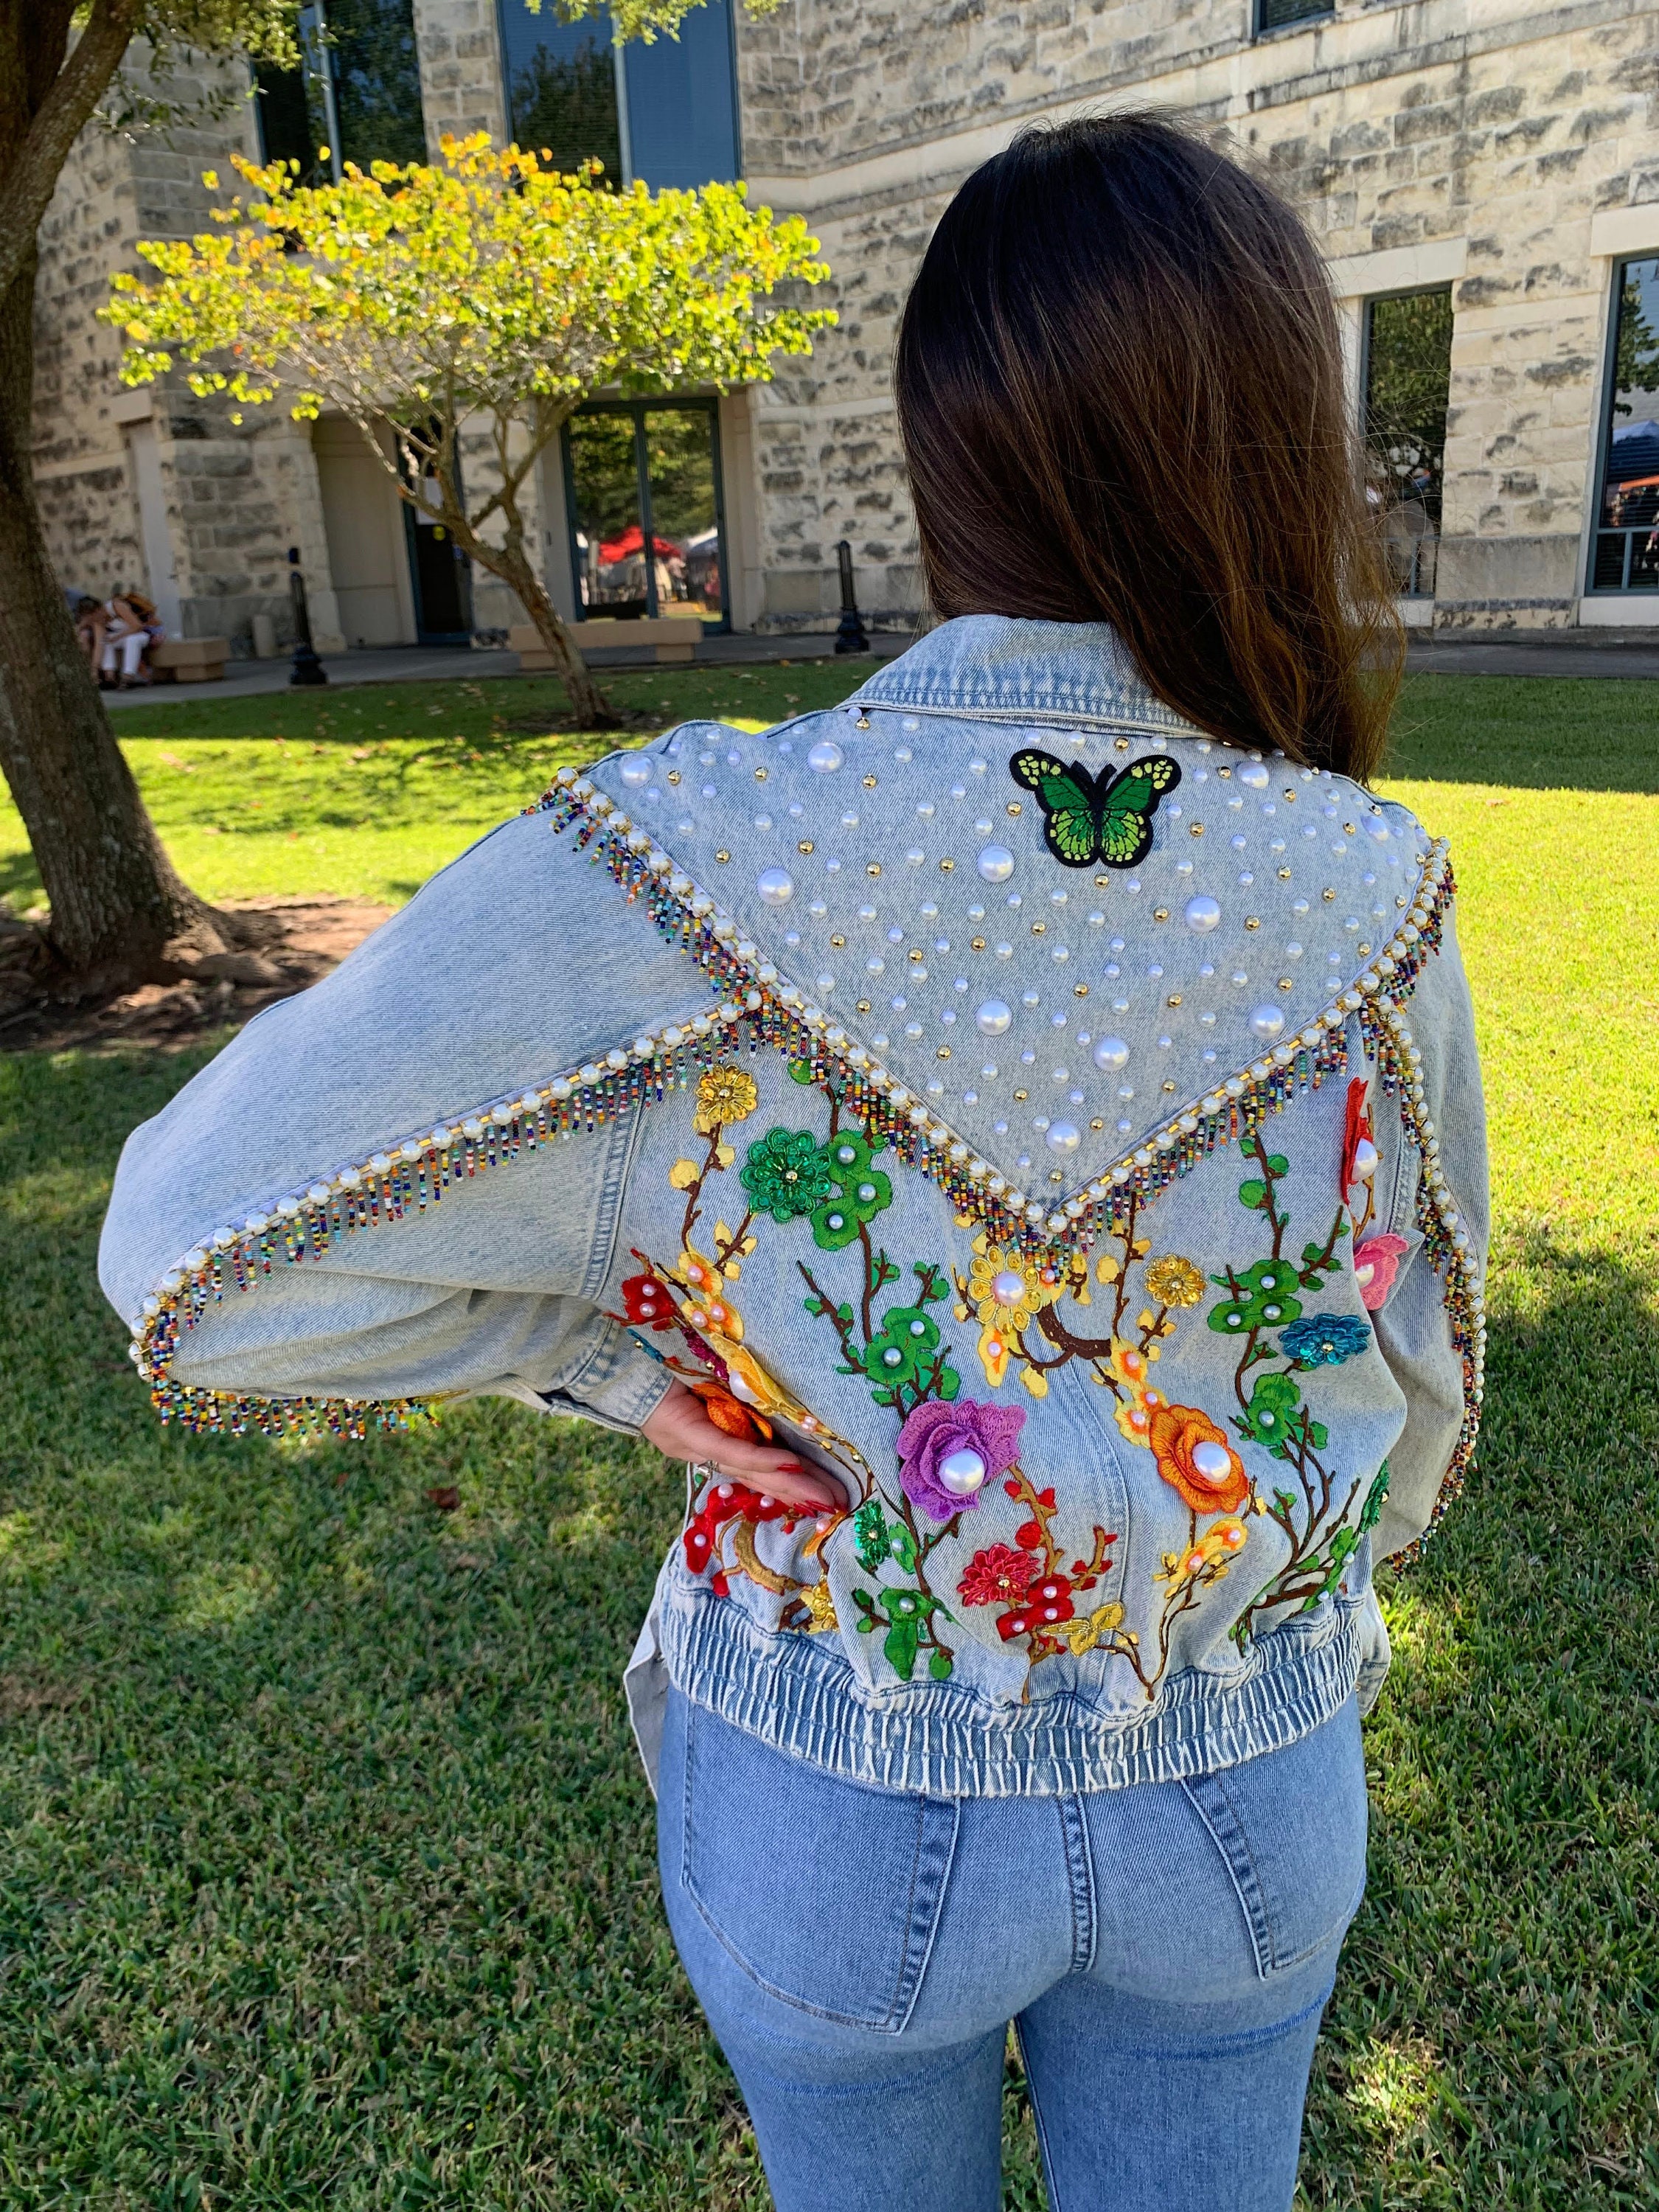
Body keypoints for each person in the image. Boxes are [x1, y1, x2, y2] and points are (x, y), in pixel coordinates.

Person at [97, 113, 1487, 2212]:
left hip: (842, 1796)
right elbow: (1430, 1362)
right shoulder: (1372, 883)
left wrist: (596, 1361)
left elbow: (188, 1251)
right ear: (1277, 448)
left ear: (946, 462)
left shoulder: (683, 850)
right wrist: (1269, 1580)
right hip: (1244, 1785)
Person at [99, 588, 163, 686]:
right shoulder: (99, 619)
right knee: (106, 640)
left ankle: (128, 675)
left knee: (132, 640)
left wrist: (117, 637)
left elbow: (137, 626)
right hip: (124, 634)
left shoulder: (117, 606)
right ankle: (109, 674)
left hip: (143, 633)